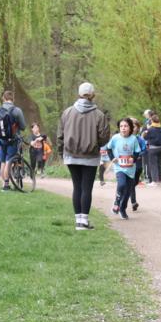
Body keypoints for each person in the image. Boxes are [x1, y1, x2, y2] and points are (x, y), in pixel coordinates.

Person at [58, 82, 110, 230]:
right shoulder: (99, 115)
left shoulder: (67, 112)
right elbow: (104, 137)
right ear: (92, 95)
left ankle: (78, 221)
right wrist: (95, 144)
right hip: (91, 156)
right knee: (86, 188)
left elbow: (60, 135)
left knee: (77, 187)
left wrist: (61, 152)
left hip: (71, 155)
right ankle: (84, 221)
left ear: (79, 94)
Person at [0, 89, 26, 191]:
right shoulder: (17, 110)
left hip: (0, 139)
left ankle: (4, 183)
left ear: (3, 98)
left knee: (3, 162)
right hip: (13, 139)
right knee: (9, 161)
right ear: (12, 99)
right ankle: (6, 185)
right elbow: (23, 126)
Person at [106, 117, 142, 220]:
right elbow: (108, 149)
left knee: (127, 192)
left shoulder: (133, 139)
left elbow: (137, 151)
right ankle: (117, 201)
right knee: (121, 184)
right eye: (121, 126)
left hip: (130, 169)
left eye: (125, 126)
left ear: (130, 128)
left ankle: (122, 209)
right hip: (119, 167)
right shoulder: (115, 138)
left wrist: (133, 159)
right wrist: (112, 158)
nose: (123, 128)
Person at [129, 118, 147, 211]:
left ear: (138, 128)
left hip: (138, 165)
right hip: (129, 165)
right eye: (130, 126)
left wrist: (138, 155)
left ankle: (128, 192)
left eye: (134, 126)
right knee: (131, 183)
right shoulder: (125, 139)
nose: (132, 128)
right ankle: (133, 202)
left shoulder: (140, 139)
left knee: (134, 182)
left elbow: (144, 150)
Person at [143, 115, 161, 184]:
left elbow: (145, 137)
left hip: (153, 149)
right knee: (159, 164)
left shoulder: (150, 129)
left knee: (153, 165)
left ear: (152, 121)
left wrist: (146, 131)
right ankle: (160, 179)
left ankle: (154, 181)